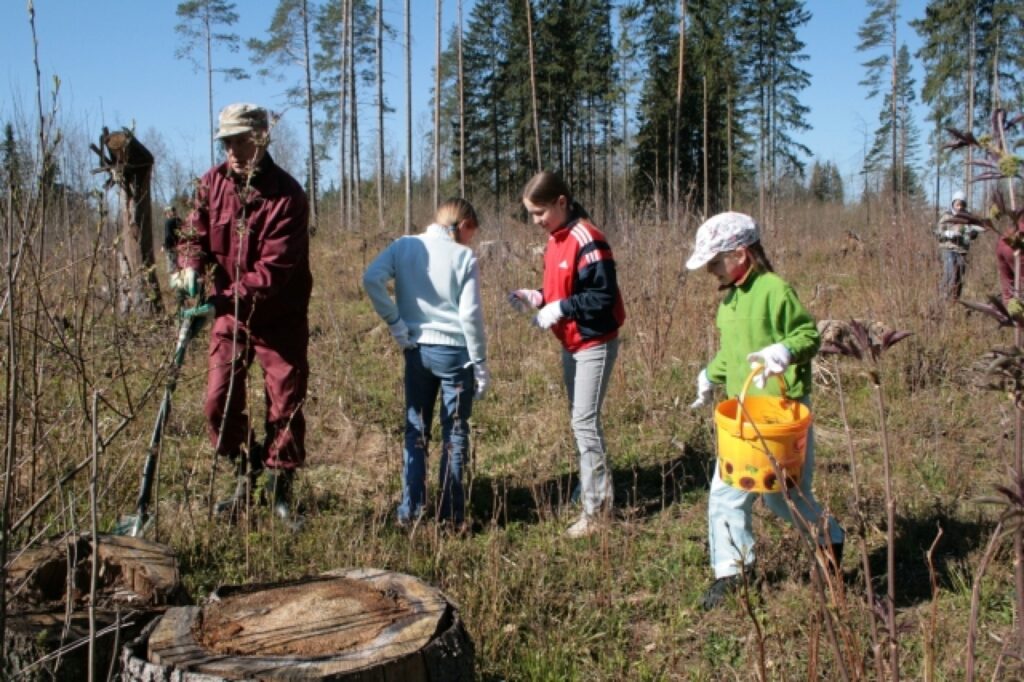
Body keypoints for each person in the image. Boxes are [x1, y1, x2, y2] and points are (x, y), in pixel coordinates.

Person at [686, 211, 844, 610]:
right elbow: (733, 352)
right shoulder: (731, 300)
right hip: (742, 415)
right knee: (726, 492)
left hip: (781, 414)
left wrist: (785, 350)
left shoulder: (775, 290)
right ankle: (733, 572)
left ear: (740, 253)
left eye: (715, 261)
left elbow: (807, 333)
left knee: (784, 496)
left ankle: (830, 544)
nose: (710, 270)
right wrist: (710, 374)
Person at [170, 102, 312, 524]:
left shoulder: (288, 196)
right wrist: (190, 269)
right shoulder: (210, 184)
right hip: (229, 314)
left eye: (239, 140)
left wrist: (217, 300)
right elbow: (192, 235)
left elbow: (273, 272)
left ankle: (281, 487)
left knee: (284, 403)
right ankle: (243, 467)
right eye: (226, 141)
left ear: (261, 139)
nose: (231, 149)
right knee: (217, 401)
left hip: (279, 315)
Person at [509, 171, 626, 539]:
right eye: (531, 214)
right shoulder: (555, 239)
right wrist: (539, 298)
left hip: (595, 341)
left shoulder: (588, 238)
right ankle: (591, 486)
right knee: (580, 420)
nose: (536, 221)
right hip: (571, 342)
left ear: (562, 202)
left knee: (584, 422)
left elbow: (603, 296)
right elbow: (563, 288)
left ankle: (597, 512)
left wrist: (559, 308)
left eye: (540, 212)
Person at [363, 199, 488, 530]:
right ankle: (451, 517)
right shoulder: (463, 256)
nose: (470, 240)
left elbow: (371, 279)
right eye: (471, 232)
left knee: (416, 430)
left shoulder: (404, 246)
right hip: (456, 354)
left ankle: (411, 513)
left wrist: (395, 322)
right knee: (455, 432)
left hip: (416, 350)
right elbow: (470, 315)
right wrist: (480, 363)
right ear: (463, 225)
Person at [935, 190, 982, 300]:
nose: (960, 207)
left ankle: (955, 300)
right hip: (948, 248)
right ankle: (942, 298)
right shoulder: (946, 216)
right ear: (953, 204)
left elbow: (975, 232)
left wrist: (973, 233)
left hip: (962, 250)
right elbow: (938, 232)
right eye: (957, 204)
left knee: (959, 275)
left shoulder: (968, 218)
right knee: (950, 272)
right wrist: (947, 233)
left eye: (962, 204)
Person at [162, 206, 181, 276]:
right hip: (181, 247)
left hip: (171, 248)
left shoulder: (168, 222)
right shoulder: (180, 221)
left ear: (170, 213)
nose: (166, 215)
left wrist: (166, 246)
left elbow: (168, 236)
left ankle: (175, 285)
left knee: (172, 270)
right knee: (179, 267)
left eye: (166, 213)